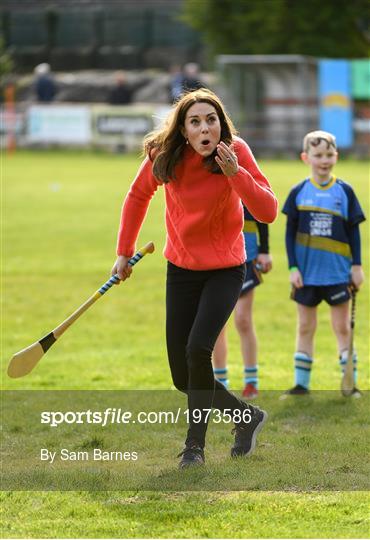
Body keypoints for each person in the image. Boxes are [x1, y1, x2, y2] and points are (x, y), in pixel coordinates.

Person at [112, 89, 278, 468]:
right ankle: (244, 416)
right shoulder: (164, 154)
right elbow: (138, 197)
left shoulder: (236, 151)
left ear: (221, 124)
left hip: (226, 269)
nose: (205, 128)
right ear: (184, 130)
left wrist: (236, 174)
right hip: (182, 269)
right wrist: (124, 251)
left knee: (198, 350)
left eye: (211, 120)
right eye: (196, 122)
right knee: (182, 376)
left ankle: (194, 448)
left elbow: (267, 210)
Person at [282, 130, 365, 397]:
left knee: (342, 327)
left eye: (329, 154)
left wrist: (357, 266)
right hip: (306, 274)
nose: (324, 160)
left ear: (336, 156)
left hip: (338, 273)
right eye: (318, 155)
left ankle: (349, 382)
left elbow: (354, 231)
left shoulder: (345, 191)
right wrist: (293, 268)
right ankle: (301, 384)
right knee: (305, 326)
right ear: (306, 157)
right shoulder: (298, 192)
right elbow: (288, 233)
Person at [213, 208, 272, 399]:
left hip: (246, 254)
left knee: (243, 320)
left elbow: (262, 206)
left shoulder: (246, 176)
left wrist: (264, 250)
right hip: (216, 256)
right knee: (217, 323)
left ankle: (251, 382)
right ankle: (221, 383)